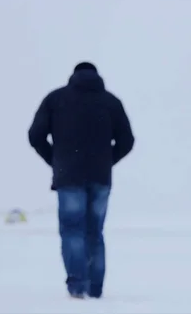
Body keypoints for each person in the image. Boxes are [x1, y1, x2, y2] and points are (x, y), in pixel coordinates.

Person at [28, 62, 135, 299]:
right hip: (100, 177)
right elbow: (127, 141)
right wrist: (106, 161)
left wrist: (56, 161)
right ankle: (95, 289)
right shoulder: (111, 102)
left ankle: (77, 286)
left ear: (73, 76)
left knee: (72, 230)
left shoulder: (56, 99)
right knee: (95, 232)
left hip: (69, 176)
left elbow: (35, 135)